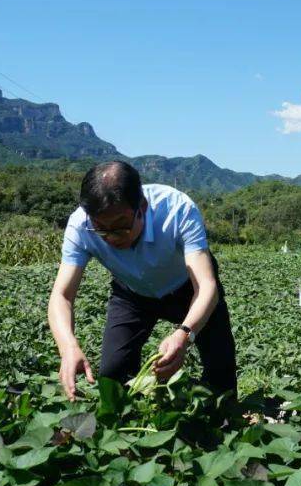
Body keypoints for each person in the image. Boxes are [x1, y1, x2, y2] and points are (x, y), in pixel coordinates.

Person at [48, 161, 237, 400]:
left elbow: (206, 285)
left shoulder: (177, 209)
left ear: (142, 208)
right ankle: (130, 424)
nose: (112, 238)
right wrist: (68, 347)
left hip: (189, 289)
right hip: (132, 293)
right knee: (112, 374)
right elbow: (61, 296)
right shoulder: (80, 225)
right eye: (101, 230)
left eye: (121, 227)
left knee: (221, 372)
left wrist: (184, 334)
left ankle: (222, 425)